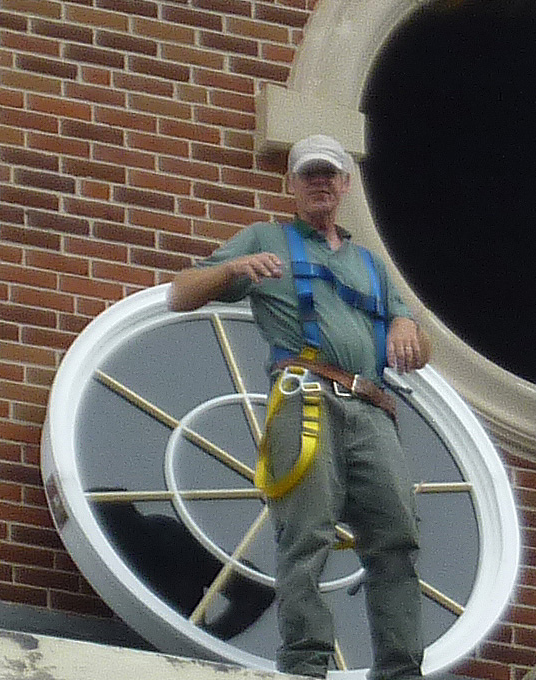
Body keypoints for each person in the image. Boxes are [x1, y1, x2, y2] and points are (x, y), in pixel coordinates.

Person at [168, 134, 430, 679]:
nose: (320, 182)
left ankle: (402, 670)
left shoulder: (370, 265)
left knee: (397, 537)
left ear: (345, 185)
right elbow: (181, 292)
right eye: (309, 174)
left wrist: (406, 323)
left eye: (329, 174)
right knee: (307, 531)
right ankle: (306, 663)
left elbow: (419, 353)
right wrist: (234, 270)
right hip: (305, 395)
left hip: (370, 405)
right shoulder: (268, 238)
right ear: (291, 185)